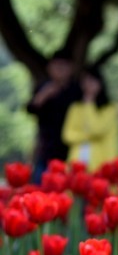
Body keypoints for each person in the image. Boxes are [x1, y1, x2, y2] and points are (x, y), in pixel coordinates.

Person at [26, 49, 82, 180]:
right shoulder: (43, 87)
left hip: (72, 148)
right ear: (49, 68)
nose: (60, 70)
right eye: (56, 66)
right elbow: (30, 109)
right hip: (46, 147)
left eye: (64, 66)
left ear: (71, 68)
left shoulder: (76, 90)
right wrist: (44, 96)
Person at [62, 68, 118, 171]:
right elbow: (68, 135)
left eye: (92, 81)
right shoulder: (76, 108)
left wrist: (89, 104)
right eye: (85, 81)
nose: (88, 85)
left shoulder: (109, 109)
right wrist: (89, 136)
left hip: (101, 164)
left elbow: (97, 130)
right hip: (77, 162)